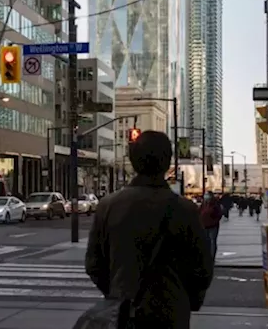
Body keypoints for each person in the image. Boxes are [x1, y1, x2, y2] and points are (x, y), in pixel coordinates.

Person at [85, 131, 214, 329]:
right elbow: (202, 268)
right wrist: (185, 299)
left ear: (134, 161)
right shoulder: (185, 210)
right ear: (167, 162)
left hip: (123, 311)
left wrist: (115, 293)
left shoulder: (108, 206)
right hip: (170, 312)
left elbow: (94, 264)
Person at [199, 190, 223, 260]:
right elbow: (199, 211)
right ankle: (207, 256)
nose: (205, 196)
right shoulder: (204, 203)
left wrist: (215, 221)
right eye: (205, 195)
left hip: (213, 226)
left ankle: (212, 257)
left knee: (212, 241)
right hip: (205, 225)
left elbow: (219, 214)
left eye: (207, 195)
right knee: (206, 241)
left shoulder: (215, 203)